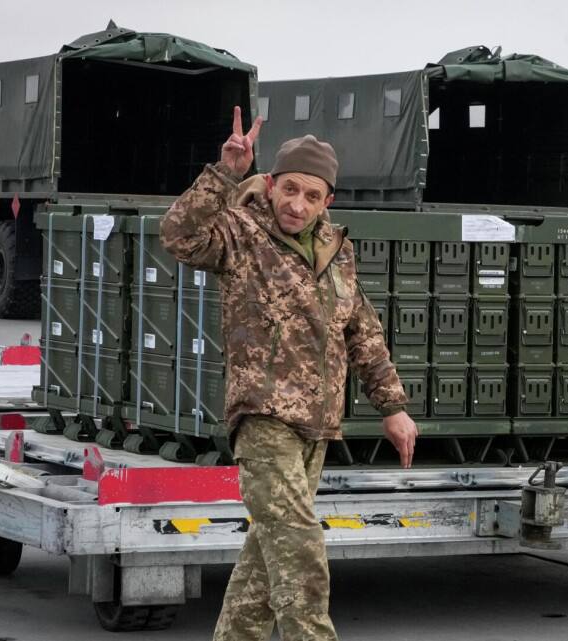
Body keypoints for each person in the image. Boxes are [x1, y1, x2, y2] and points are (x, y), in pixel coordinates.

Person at [161, 106, 419, 641]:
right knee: (300, 552)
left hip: (316, 429)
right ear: (273, 185)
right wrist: (224, 172)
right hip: (263, 422)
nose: (297, 205)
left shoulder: (337, 251)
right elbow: (179, 237)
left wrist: (392, 407)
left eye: (312, 196)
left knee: (262, 567)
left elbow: (361, 329)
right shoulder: (240, 234)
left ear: (329, 201)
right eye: (290, 190)